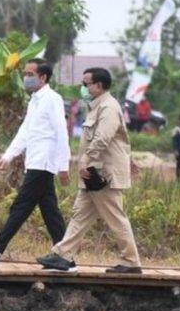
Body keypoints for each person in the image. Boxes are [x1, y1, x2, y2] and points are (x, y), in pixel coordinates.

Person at [37, 67, 142, 274]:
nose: (82, 88)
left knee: (115, 217)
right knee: (80, 215)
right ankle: (63, 255)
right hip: (93, 175)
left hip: (103, 175)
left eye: (86, 84)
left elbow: (102, 138)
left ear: (99, 86)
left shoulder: (108, 108)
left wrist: (86, 161)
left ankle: (131, 261)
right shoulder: (97, 107)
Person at [0, 58, 70, 265]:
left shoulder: (52, 99)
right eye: (24, 74)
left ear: (43, 77)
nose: (26, 78)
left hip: (44, 162)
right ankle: (65, 257)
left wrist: (64, 165)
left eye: (30, 75)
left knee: (20, 206)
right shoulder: (35, 101)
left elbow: (62, 132)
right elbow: (25, 132)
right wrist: (8, 156)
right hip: (34, 161)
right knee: (50, 212)